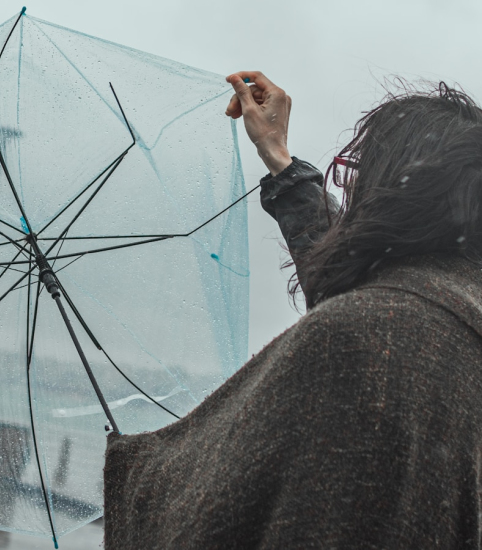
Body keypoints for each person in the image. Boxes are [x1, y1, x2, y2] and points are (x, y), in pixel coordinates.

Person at [103, 71, 482, 549]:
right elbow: (376, 291)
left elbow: (231, 507)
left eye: (356, 174)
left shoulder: (360, 336)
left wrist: (136, 469)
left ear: (399, 193)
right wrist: (280, 159)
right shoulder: (451, 309)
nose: (350, 190)